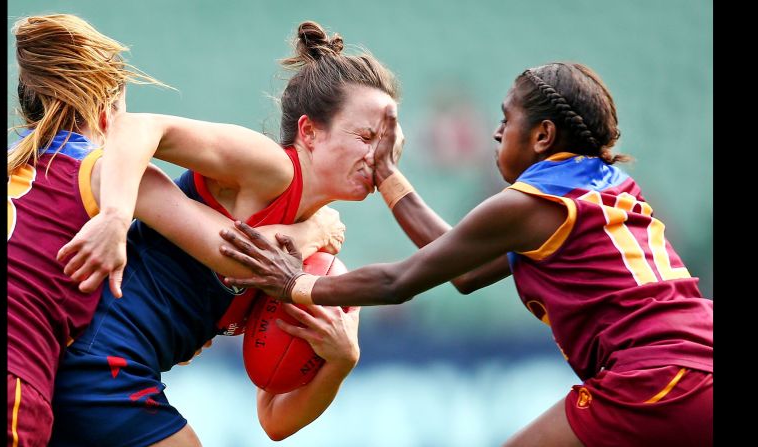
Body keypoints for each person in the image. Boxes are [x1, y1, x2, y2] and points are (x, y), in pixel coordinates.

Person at [218, 62, 714, 446]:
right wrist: (388, 175)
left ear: (542, 136)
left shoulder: (529, 203)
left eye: (507, 119)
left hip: (657, 373)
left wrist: (297, 286)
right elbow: (467, 271)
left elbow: (401, 281)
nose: (498, 132)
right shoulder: (608, 188)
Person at [48, 20, 401, 446]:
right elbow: (136, 127)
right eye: (364, 136)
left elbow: (274, 421)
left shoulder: (316, 260)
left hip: (116, 369)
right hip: (101, 360)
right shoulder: (271, 167)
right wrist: (116, 217)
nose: (376, 153)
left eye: (384, 141)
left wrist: (342, 362)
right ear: (308, 132)